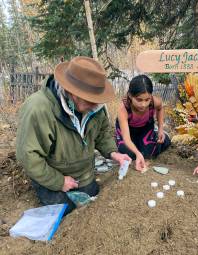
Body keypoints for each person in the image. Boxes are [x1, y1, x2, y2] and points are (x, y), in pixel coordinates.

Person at [16, 56, 131, 215]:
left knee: (92, 203)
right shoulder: (39, 109)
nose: (96, 105)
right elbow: (28, 156)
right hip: (52, 176)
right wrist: (59, 181)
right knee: (67, 211)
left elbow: (103, 134)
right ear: (73, 92)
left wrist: (114, 153)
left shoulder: (95, 108)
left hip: (84, 175)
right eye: (92, 100)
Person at [115, 75, 171, 171]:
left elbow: (160, 108)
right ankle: (137, 145)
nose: (143, 104)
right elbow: (127, 139)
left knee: (148, 153)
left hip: (145, 127)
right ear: (130, 95)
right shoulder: (123, 109)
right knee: (128, 153)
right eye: (139, 100)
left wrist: (161, 129)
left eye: (147, 99)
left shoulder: (154, 101)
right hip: (128, 130)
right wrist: (137, 153)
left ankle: (158, 134)